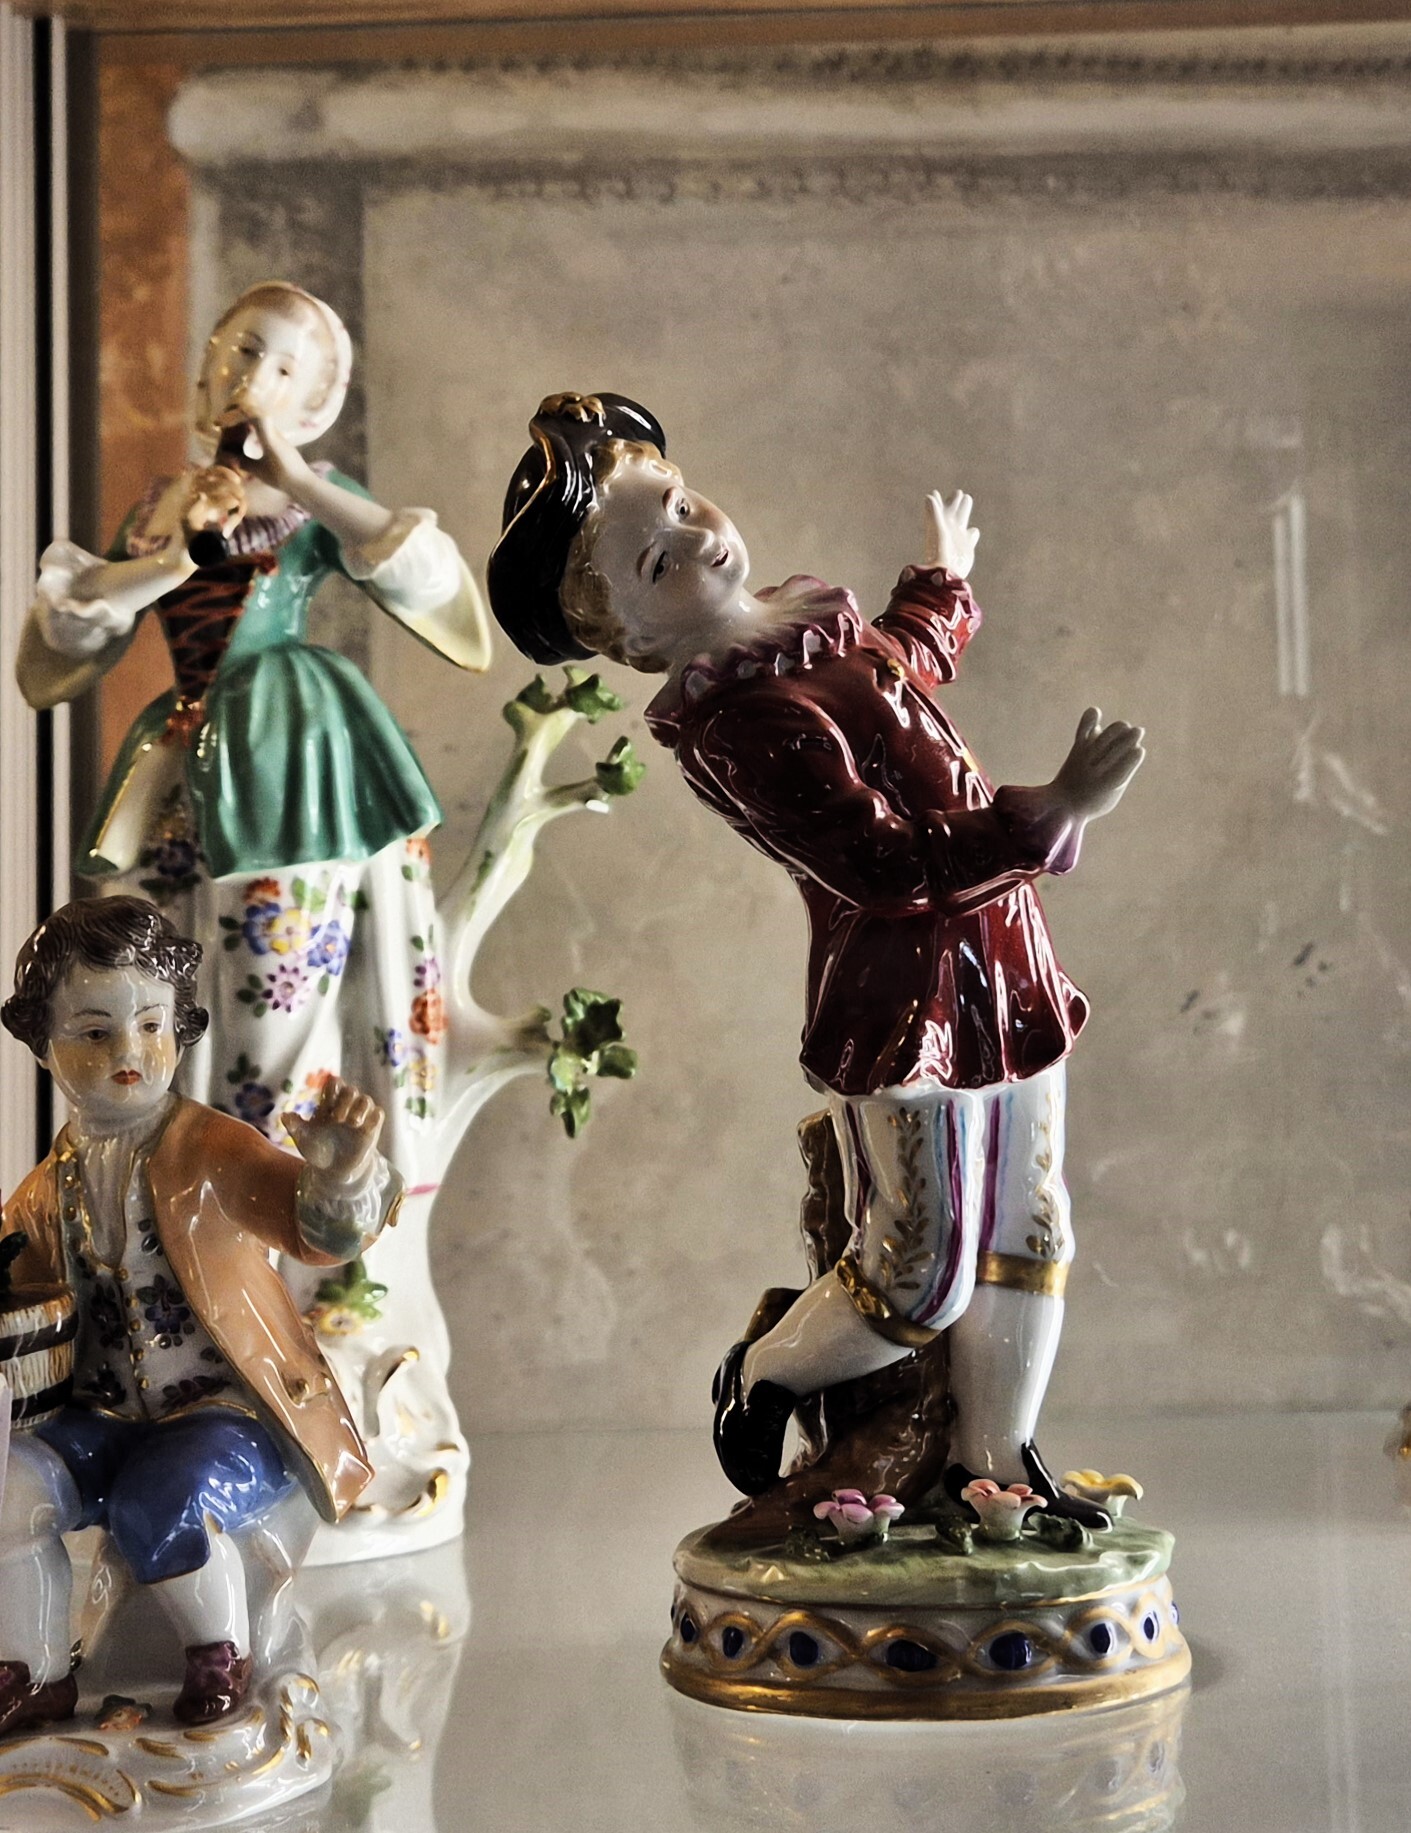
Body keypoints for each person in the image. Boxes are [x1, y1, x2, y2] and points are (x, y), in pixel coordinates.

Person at [486, 393, 1145, 1523]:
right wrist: (1051, 811)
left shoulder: (809, 624)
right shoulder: (739, 726)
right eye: (655, 559)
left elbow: (904, 666)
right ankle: (765, 1374)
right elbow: (883, 866)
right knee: (921, 1266)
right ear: (632, 639)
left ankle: (991, 1463)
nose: (693, 534)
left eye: (679, 502)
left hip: (1000, 957)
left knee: (1033, 1224)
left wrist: (940, 580)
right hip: (903, 1000)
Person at [16, 281, 491, 1169]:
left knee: (276, 1001)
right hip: (180, 765)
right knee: (156, 984)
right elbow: (74, 628)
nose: (250, 377)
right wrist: (178, 553)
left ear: (311, 402)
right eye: (240, 352)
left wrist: (300, 476)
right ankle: (172, 1186)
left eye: (281, 367)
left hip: (288, 753)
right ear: (206, 369)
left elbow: (424, 578)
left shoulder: (312, 504)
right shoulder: (164, 506)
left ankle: (279, 1195)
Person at [0, 897, 402, 1733]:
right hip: (102, 1415)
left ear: (180, 1027)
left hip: (227, 1414)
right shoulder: (44, 1189)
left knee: (162, 1495)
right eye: (94, 1031)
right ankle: (36, 1671)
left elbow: (319, 1233)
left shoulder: (216, 1152)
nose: (128, 1052)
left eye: (150, 1024)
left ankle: (221, 1653)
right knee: (9, 1488)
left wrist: (338, 1178)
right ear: (42, 1043)